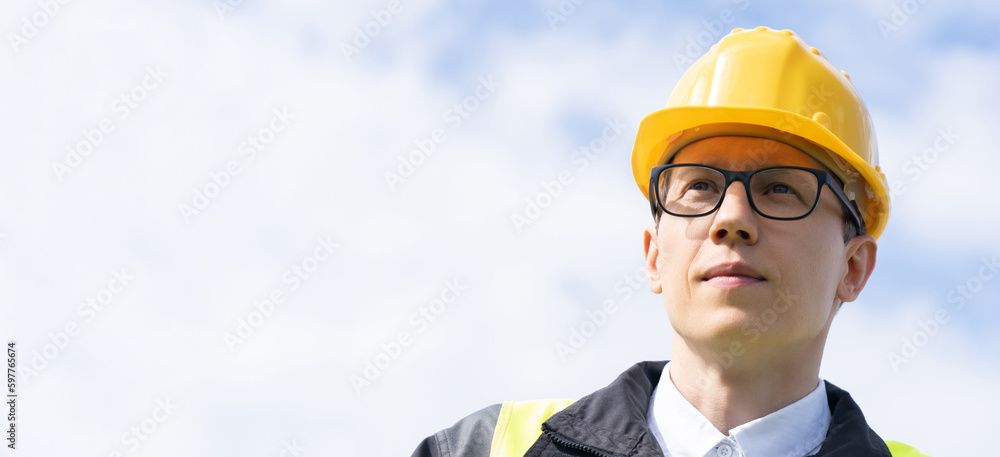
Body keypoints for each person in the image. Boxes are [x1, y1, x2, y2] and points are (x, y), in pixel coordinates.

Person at [410, 26, 929, 457]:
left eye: (780, 188)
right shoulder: (483, 450)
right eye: (700, 185)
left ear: (853, 267)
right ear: (654, 255)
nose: (731, 219)